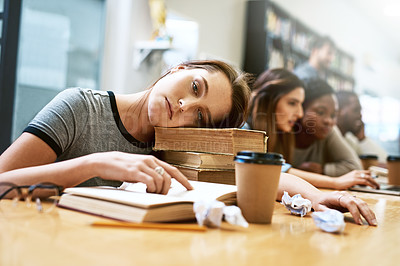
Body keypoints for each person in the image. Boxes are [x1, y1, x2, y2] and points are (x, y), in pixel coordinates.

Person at [0, 60, 377, 225]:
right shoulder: (79, 107)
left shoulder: (179, 144)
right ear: (178, 68)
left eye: (199, 116)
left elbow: (258, 173)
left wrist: (320, 196)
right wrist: (93, 164)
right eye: (195, 87)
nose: (183, 107)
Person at [246, 70, 379, 191]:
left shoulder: (283, 130)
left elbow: (277, 171)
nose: (299, 113)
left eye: (333, 115)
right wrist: (334, 182)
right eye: (292, 103)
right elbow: (271, 169)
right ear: (268, 100)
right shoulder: (245, 129)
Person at [293, 78, 379, 189]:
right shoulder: (285, 130)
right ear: (301, 108)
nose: (328, 121)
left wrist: (323, 169)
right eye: (320, 112)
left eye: (333, 115)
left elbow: (355, 167)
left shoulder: (329, 130)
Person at [336, 91, 388, 164]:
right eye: (356, 110)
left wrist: (362, 139)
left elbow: (384, 162)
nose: (360, 115)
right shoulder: (328, 139)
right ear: (338, 111)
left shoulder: (350, 141)